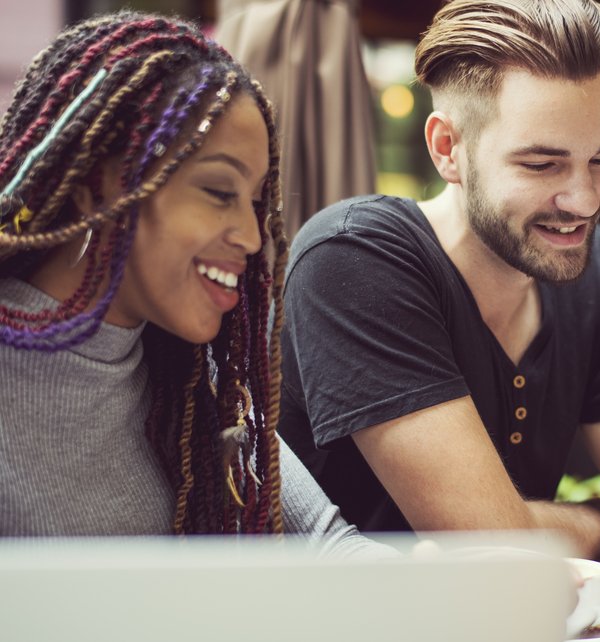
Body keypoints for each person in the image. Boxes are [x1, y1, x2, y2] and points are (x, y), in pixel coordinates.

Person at [278, 0, 600, 616]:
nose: (583, 199)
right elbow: (491, 544)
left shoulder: (595, 269)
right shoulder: (357, 259)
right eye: (541, 163)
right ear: (449, 148)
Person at [0, 10, 391, 557]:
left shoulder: (197, 380)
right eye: (218, 191)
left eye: (257, 204)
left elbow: (328, 548)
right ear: (95, 186)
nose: (255, 239)